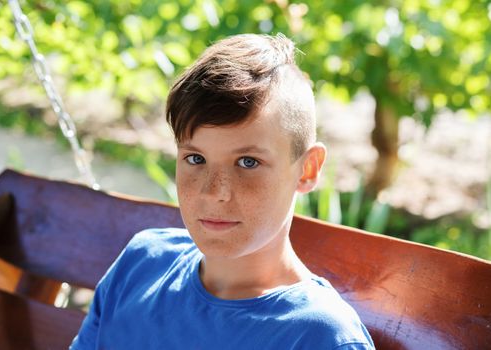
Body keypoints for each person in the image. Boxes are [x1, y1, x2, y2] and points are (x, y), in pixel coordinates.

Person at [71, 33, 375, 349]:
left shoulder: (321, 337)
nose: (214, 192)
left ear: (307, 170)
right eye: (195, 158)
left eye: (247, 162)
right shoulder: (141, 265)